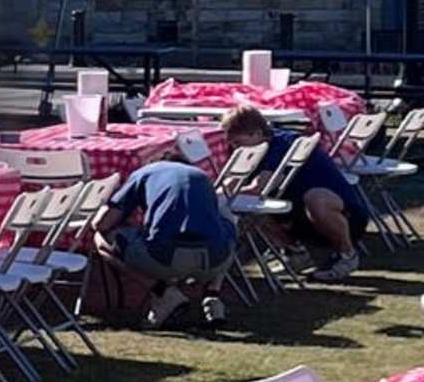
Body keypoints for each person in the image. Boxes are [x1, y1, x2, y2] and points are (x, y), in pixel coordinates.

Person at [110, 143, 240, 326]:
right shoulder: (203, 178)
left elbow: (103, 222)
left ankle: (163, 292)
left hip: (163, 258)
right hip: (214, 261)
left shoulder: (144, 173)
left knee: (104, 238)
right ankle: (212, 296)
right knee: (228, 222)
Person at [223, 103, 362, 267]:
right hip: (300, 211)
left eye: (238, 142)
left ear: (258, 133)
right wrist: (221, 190)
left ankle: (347, 255)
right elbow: (232, 182)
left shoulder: (280, 147)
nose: (234, 148)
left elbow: (258, 188)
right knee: (255, 210)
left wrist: (221, 196)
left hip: (345, 214)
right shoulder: (265, 142)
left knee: (315, 198)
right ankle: (295, 252)